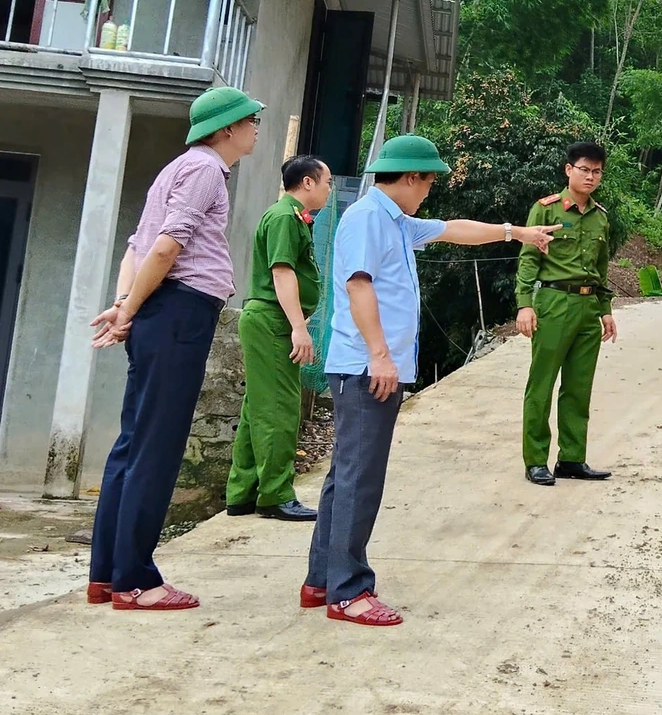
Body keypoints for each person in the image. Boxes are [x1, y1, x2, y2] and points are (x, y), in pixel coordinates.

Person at [303, 134, 558, 626]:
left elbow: (454, 230)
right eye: (429, 182)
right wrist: (380, 356)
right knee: (360, 478)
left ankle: (322, 580)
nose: (429, 192)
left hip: (372, 366)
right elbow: (358, 285)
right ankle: (349, 591)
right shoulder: (367, 218)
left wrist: (516, 233)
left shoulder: (395, 220)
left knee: (347, 475)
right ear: (411, 177)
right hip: (366, 368)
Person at [86, 85, 263, 610]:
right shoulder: (205, 169)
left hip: (159, 309)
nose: (255, 129)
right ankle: (136, 581)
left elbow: (136, 247)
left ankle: (108, 575)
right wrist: (130, 309)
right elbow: (165, 248)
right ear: (227, 129)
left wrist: (125, 302)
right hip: (178, 311)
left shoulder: (176, 168)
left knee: (134, 442)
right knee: (157, 448)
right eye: (250, 121)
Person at [224, 155, 333, 522]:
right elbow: (282, 272)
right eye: (327, 182)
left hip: (271, 318)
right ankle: (276, 494)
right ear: (307, 182)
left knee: (258, 406)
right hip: (273, 321)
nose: (329, 189)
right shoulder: (285, 217)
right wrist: (299, 327)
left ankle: (243, 491)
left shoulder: (292, 216)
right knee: (280, 408)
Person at [515, 141, 617, 487]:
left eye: (597, 172)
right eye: (584, 169)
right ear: (568, 170)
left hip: (588, 307)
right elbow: (529, 258)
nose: (590, 177)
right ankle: (535, 460)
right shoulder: (546, 210)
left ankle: (572, 458)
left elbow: (600, 269)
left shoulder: (600, 217)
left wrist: (605, 310)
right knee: (542, 383)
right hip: (555, 303)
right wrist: (525, 304)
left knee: (578, 385)